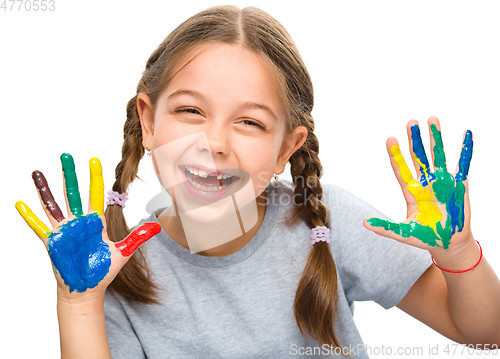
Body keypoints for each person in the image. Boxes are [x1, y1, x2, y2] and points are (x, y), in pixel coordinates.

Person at [15, 5, 500, 359]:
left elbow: (484, 333)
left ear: (287, 147)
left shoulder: (326, 221)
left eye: (249, 123)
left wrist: (458, 256)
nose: (215, 142)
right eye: (190, 111)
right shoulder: (117, 267)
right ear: (147, 119)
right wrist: (79, 305)